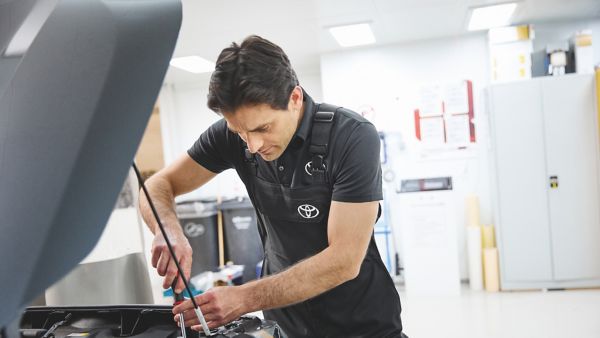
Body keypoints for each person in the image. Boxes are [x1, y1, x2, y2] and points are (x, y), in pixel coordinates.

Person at [139, 35, 405, 338]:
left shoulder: (351, 137)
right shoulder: (232, 138)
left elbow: (343, 261)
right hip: (285, 324)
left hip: (362, 323)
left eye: (262, 128)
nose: (252, 145)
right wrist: (168, 230)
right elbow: (157, 185)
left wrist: (242, 298)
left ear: (294, 99)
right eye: (239, 132)